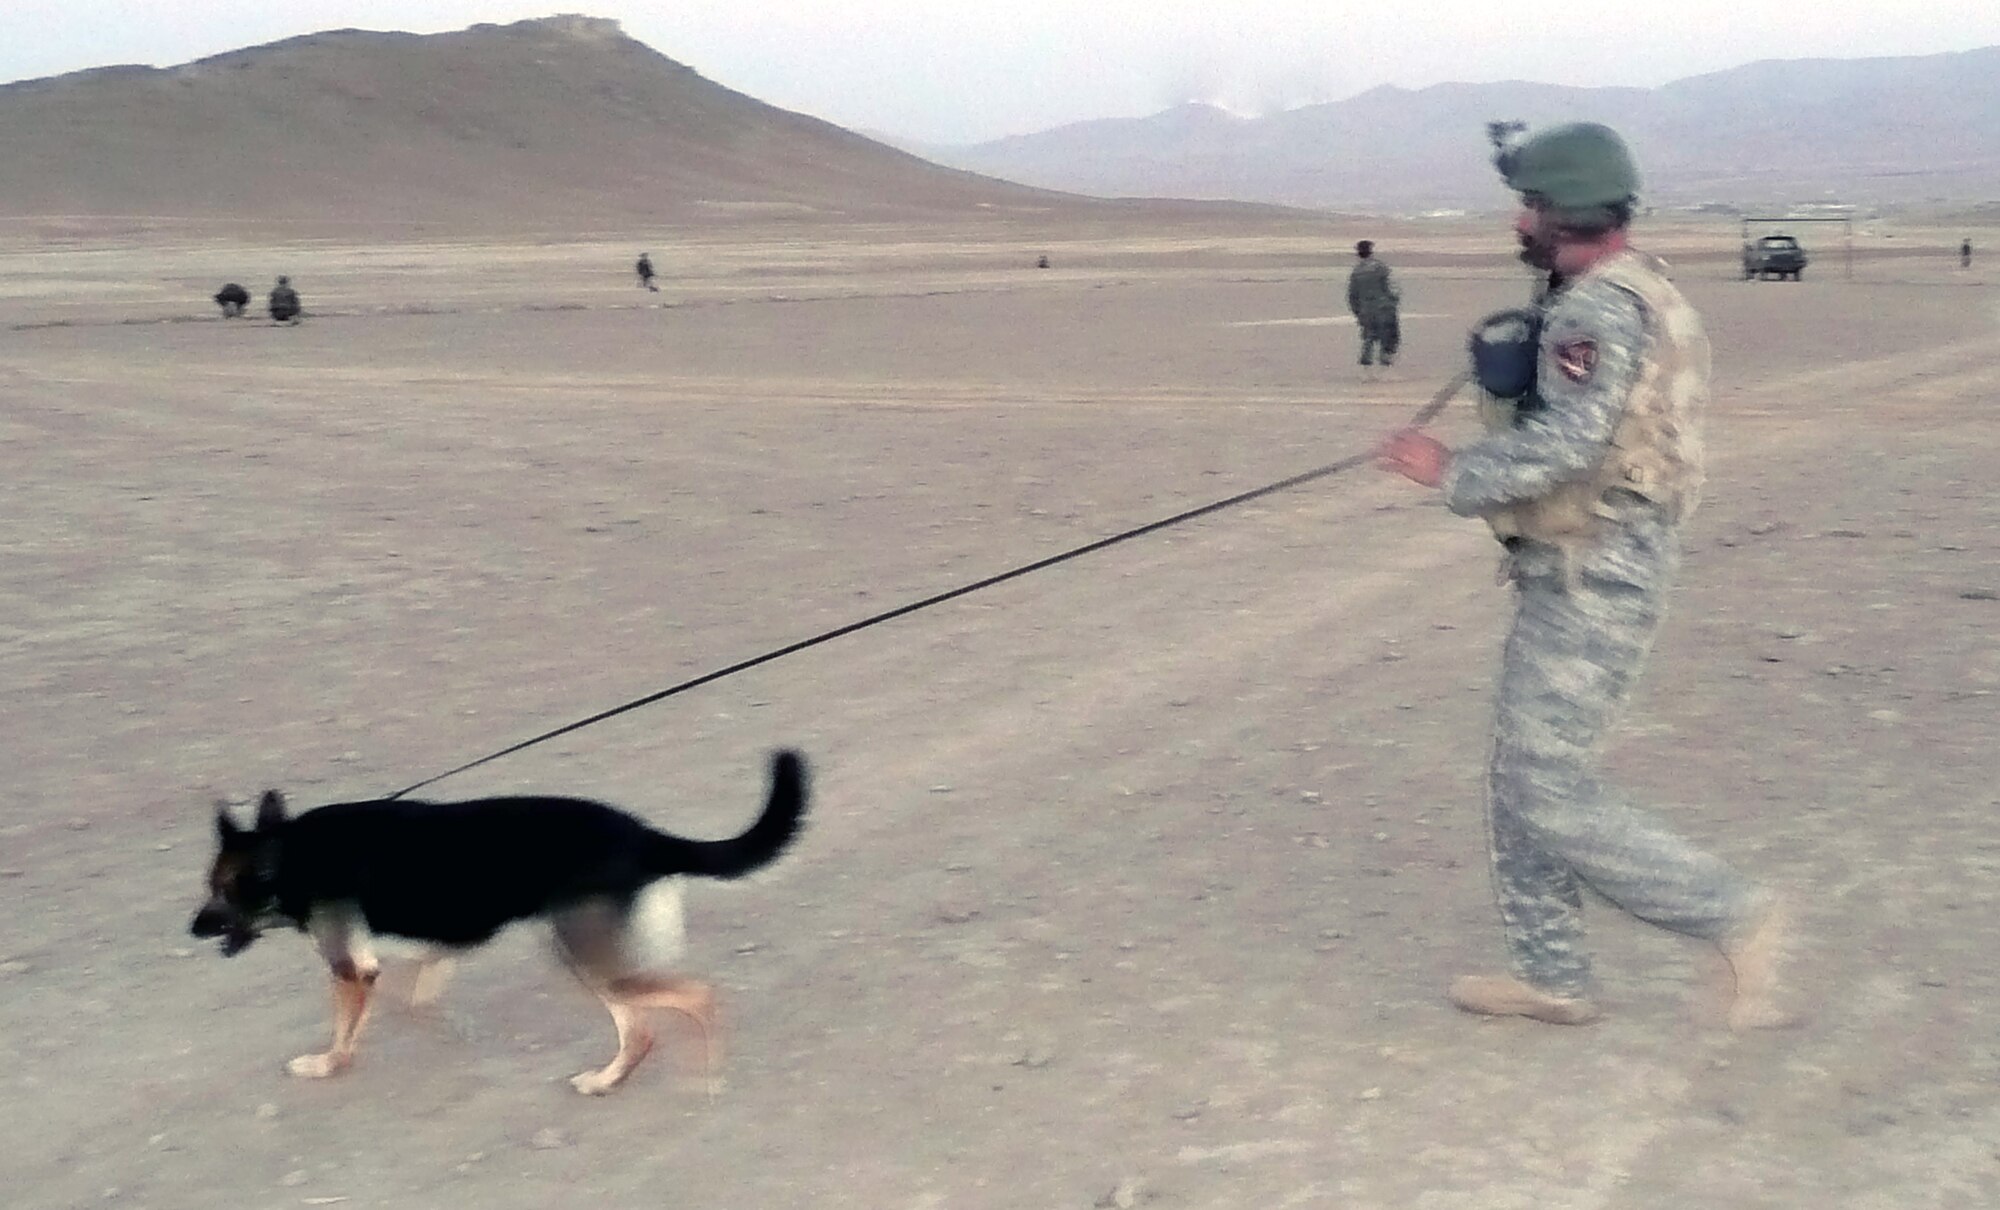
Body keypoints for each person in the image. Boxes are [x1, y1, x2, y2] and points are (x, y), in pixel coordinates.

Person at [1376, 122, 1788, 1030]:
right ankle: (1553, 976)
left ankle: (1732, 915)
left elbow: (1568, 447)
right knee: (1521, 772)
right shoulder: (1631, 287)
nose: (1517, 217)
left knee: (1546, 787)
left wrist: (1447, 470)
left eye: (1530, 202)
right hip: (1588, 556)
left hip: (1595, 568)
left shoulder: (1595, 311)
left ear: (1563, 212)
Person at [1347, 240, 1401, 367]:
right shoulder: (1380, 267)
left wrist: (1358, 312)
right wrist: (1394, 301)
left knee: (1369, 338)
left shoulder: (1356, 272)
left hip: (1366, 310)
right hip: (1384, 308)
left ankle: (1367, 367)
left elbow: (1352, 295)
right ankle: (1385, 366)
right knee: (1389, 337)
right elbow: (1391, 287)